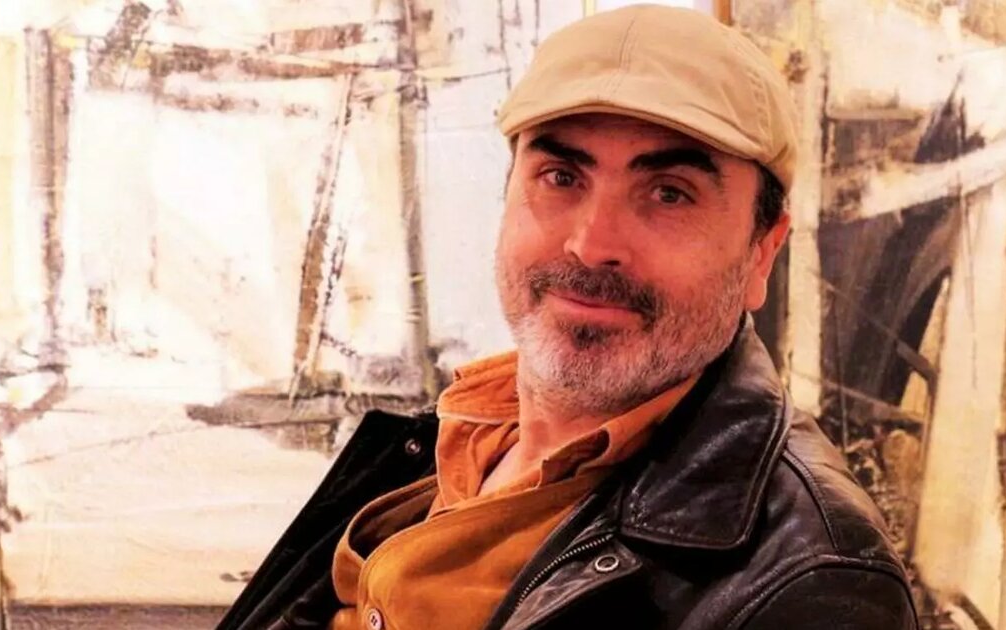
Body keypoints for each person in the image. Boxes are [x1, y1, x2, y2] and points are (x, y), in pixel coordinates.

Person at [219, 5, 917, 629]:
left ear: (762, 251)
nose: (591, 243)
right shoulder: (450, 435)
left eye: (669, 193)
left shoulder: (813, 583)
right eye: (561, 177)